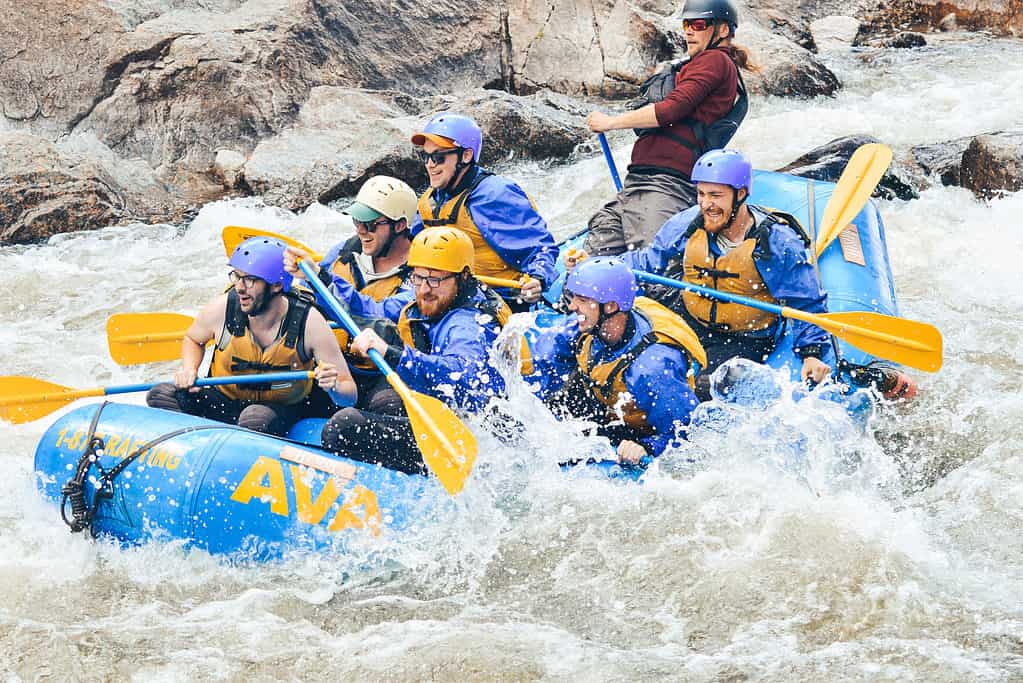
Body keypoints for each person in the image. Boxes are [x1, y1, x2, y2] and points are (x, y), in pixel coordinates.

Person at [600, 149, 831, 398]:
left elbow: (806, 302)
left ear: (740, 194)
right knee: (626, 359)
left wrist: (812, 353)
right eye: (701, 194)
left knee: (699, 390)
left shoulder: (775, 242)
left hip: (742, 337)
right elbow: (648, 261)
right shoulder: (688, 223)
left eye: (715, 195)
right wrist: (601, 269)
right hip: (687, 316)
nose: (706, 204)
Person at [284, 227, 506, 475]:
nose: (424, 290)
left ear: (464, 276)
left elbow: (462, 374)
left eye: (434, 279)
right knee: (384, 402)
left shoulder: (469, 324)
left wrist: (393, 353)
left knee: (345, 426)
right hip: (439, 411)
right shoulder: (429, 298)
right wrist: (321, 278)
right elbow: (370, 311)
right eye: (418, 278)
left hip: (471, 430)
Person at [584, 0, 751, 255]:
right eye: (686, 24)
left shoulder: (716, 60)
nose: (689, 31)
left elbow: (671, 110)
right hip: (640, 183)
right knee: (597, 254)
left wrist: (611, 123)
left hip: (665, 186)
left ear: (723, 30)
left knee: (654, 265)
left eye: (698, 24)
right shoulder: (697, 63)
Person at [146, 238, 357, 435]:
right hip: (225, 399)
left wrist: (334, 385)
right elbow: (193, 339)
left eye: (250, 280)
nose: (239, 287)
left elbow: (349, 395)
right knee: (161, 394)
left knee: (255, 418)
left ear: (276, 285)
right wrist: (189, 368)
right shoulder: (222, 308)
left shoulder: (310, 322)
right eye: (237, 276)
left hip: (281, 408)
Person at [525, 257, 705, 463]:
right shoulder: (588, 324)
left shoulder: (652, 369)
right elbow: (546, 360)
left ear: (610, 307)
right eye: (573, 297)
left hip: (640, 425)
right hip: (602, 398)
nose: (572, 306)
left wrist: (648, 447)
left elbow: (688, 434)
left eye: (582, 300)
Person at [409, 112, 560, 312]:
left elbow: (540, 249)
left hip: (497, 302)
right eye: (425, 156)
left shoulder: (494, 196)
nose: (429, 164)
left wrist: (538, 278)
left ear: (466, 155)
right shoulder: (430, 199)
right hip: (444, 295)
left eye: (438, 157)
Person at [311, 175, 418, 416]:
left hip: (385, 370)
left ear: (399, 225)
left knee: (386, 405)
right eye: (357, 221)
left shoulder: (421, 276)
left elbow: (377, 312)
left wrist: (323, 280)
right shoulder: (343, 252)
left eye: (370, 224)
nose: (361, 231)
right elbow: (308, 298)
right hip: (339, 366)